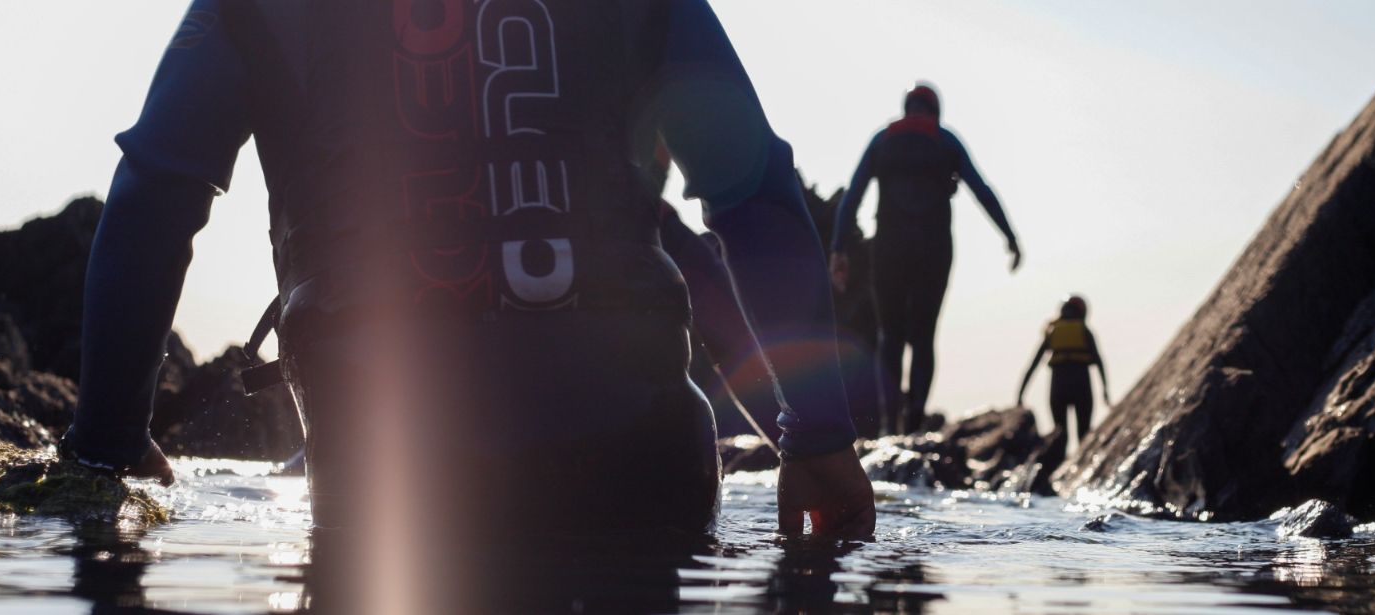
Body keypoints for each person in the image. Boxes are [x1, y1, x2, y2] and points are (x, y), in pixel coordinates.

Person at [57, 1, 874, 608]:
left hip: (392, 475)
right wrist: (819, 435)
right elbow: (753, 195)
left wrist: (108, 443)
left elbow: (153, 198)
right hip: (645, 462)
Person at [831, 84, 1022, 435]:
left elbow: (853, 196)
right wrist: (1009, 237)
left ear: (907, 108)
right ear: (935, 111)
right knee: (923, 336)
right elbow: (982, 190)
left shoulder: (882, 140)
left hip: (888, 248)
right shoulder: (946, 140)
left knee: (890, 335)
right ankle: (915, 423)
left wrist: (838, 249)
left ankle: (889, 428)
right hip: (934, 250)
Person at [1015, 295, 1112, 450]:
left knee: (1060, 435)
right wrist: (1105, 390)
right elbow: (1099, 361)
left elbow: (1033, 365)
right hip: (1081, 384)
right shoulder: (1084, 330)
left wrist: (1020, 394)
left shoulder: (1053, 331)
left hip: (1058, 386)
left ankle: (1059, 468)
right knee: (1084, 434)